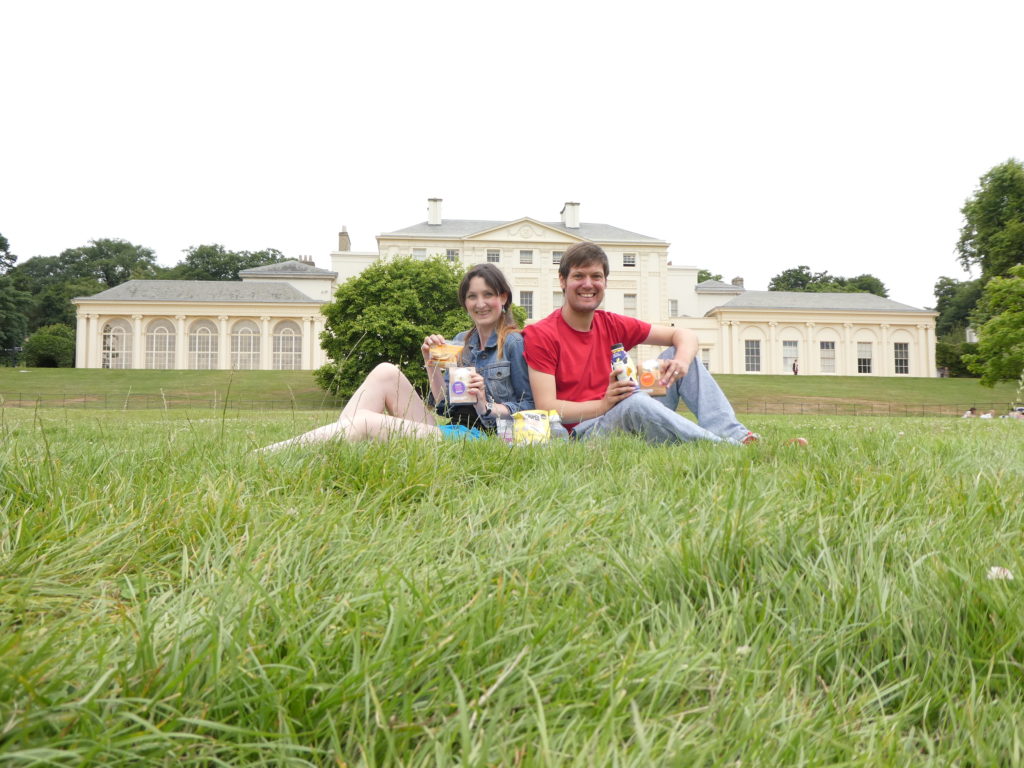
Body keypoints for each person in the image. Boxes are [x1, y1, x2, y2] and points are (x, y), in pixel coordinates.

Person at [260, 264, 533, 451]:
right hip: (453, 431)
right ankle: (333, 448)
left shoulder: (513, 342)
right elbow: (443, 407)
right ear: (464, 302)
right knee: (385, 371)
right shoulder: (461, 342)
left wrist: (486, 404)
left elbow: (529, 407)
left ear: (503, 298)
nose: (480, 303)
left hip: (484, 438)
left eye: (488, 295)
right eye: (472, 296)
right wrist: (431, 365)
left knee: (367, 421)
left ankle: (274, 453)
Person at [523, 242, 758, 445]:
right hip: (584, 431)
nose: (588, 284)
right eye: (578, 276)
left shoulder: (611, 323)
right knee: (634, 401)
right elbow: (547, 407)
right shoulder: (542, 333)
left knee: (676, 355)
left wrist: (681, 362)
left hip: (622, 403)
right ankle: (724, 447)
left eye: (596, 276)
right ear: (563, 280)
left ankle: (737, 436)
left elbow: (685, 336)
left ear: (605, 282)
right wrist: (605, 404)